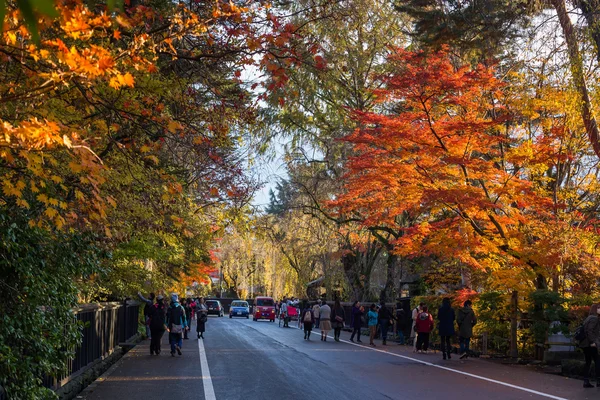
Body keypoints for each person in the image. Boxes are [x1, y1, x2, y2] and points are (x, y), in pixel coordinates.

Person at [581, 304, 600, 388]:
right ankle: (598, 381)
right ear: (596, 309)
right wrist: (593, 341)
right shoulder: (594, 318)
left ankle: (586, 381)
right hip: (591, 344)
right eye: (599, 308)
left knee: (588, 362)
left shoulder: (588, 318)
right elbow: (590, 330)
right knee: (597, 361)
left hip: (585, 344)